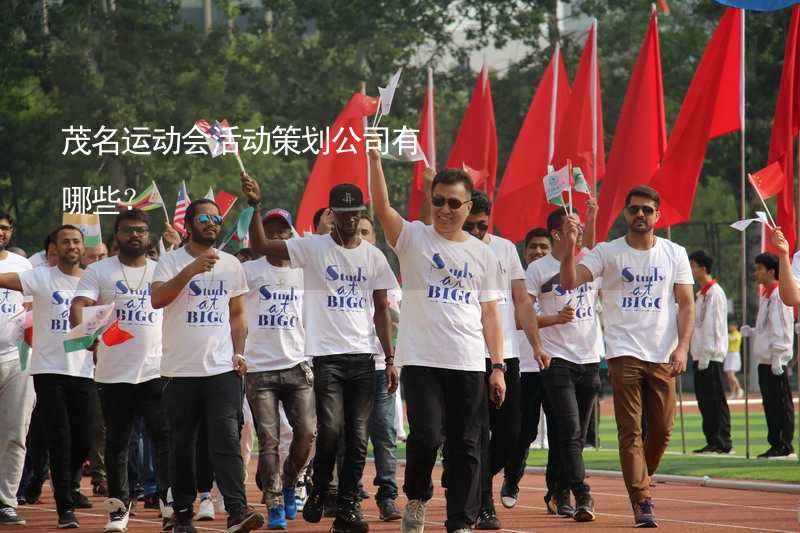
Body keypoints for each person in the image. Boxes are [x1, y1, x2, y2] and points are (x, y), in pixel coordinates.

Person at [242, 176, 396, 533]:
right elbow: (262, 244)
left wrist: (389, 359)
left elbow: (382, 308)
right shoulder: (311, 248)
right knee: (330, 430)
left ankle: (347, 509)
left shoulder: (374, 256)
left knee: (358, 437)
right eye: (340, 212)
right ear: (332, 213)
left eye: (353, 212)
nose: (347, 218)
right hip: (325, 358)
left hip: (363, 357)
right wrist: (255, 206)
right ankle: (319, 488)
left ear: (361, 212)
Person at [368, 149, 506, 533]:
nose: (445, 209)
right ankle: (416, 496)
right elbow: (382, 208)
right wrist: (375, 160)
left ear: (469, 205)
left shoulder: (482, 255)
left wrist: (497, 366)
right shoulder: (413, 237)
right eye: (438, 201)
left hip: (466, 360)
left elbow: (491, 314)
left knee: (466, 444)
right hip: (422, 359)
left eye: (454, 203)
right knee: (426, 436)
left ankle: (460, 520)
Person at [559, 185, 694, 528]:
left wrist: (682, 347)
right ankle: (642, 500)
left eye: (647, 210)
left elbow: (687, 304)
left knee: (662, 430)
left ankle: (641, 482)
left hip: (662, 353)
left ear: (657, 216)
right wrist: (570, 246)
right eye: (634, 209)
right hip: (623, 352)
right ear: (625, 213)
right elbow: (570, 280)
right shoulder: (608, 252)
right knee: (630, 430)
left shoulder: (674, 253)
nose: (640, 215)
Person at [151, 199, 264, 533]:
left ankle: (237, 510)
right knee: (182, 443)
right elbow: (157, 299)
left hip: (222, 369)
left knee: (226, 439)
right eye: (204, 217)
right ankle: (182, 513)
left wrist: (239, 351)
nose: (212, 222)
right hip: (179, 370)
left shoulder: (231, 264)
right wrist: (192, 269)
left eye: (216, 218)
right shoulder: (170, 262)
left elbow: (238, 313)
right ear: (190, 223)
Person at [69, 209, 171, 532]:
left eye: (141, 230)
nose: (135, 236)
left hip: (157, 370)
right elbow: (78, 306)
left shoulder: (161, 270)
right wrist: (87, 335)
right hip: (114, 373)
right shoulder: (99, 271)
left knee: (163, 439)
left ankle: (170, 504)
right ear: (117, 235)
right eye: (128, 230)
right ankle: (118, 508)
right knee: (118, 443)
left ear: (149, 235)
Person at [459, 192, 548, 530]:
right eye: (472, 226)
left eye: (483, 226)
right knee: (478, 433)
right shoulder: (449, 247)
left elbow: (522, 300)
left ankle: (468, 474)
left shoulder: (505, 249)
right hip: (466, 354)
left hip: (505, 355)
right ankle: (484, 504)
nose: (477, 231)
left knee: (512, 434)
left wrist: (536, 343)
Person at [0, 225, 97, 529]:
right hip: (48, 368)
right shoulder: (39, 277)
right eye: (65, 241)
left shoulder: (94, 280)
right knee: (60, 436)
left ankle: (66, 485)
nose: (72, 246)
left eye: (76, 241)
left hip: (83, 369)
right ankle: (64, 508)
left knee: (85, 437)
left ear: (82, 247)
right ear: (54, 248)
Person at [526, 208, 603, 523]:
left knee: (571, 434)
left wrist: (592, 215)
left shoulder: (590, 263)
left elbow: (596, 246)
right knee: (569, 430)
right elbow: (525, 315)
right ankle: (581, 492)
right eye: (571, 228)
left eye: (580, 228)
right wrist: (539, 342)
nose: (578, 232)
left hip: (590, 358)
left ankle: (557, 491)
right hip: (557, 358)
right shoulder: (537, 269)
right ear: (557, 233)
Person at [241, 208, 315, 529]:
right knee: (268, 440)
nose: (277, 236)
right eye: (269, 231)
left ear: (291, 235)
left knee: (307, 434)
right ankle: (273, 501)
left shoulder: (303, 272)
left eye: (283, 231)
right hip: (260, 368)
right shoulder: (249, 272)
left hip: (298, 364)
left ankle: (288, 481)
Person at [502, 227, 553, 511]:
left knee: (562, 433)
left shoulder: (561, 279)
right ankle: (512, 477)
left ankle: (557, 491)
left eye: (544, 247)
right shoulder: (517, 283)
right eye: (533, 247)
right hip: (525, 366)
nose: (538, 252)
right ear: (525, 251)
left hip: (557, 363)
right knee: (525, 431)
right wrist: (554, 319)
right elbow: (520, 319)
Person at [356, 213, 403, 521]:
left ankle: (387, 496)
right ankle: (350, 492)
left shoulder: (386, 277)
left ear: (374, 238)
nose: (361, 236)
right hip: (351, 365)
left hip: (379, 366)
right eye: (357, 230)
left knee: (384, 434)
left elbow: (396, 320)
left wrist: (391, 360)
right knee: (352, 435)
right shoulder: (336, 275)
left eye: (367, 232)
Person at [0, 212, 35, 526]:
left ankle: (6, 500)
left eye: (4, 228)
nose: (0, 233)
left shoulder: (23, 267)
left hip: (16, 359)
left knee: (14, 433)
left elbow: (34, 309)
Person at [688, 250, 732, 455]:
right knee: (705, 399)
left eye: (693, 265)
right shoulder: (701, 294)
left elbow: (713, 327)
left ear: (702, 268)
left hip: (710, 355)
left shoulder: (715, 293)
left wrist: (707, 352)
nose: (690, 270)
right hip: (700, 354)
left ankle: (722, 440)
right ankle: (712, 438)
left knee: (715, 398)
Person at [751, 251, 795, 458]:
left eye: (760, 269)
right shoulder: (766, 295)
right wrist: (753, 332)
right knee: (770, 403)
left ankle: (785, 444)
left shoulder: (778, 294)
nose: (756, 273)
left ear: (770, 271)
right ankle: (775, 442)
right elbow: (766, 327)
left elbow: (782, 326)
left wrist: (779, 354)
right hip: (764, 358)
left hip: (775, 358)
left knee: (781, 402)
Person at [725, 321, 744, 399]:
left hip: (734, 355)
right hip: (728, 355)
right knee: (728, 376)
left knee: (731, 375)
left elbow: (732, 339)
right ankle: (733, 392)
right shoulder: (730, 334)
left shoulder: (738, 334)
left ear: (735, 326)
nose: (730, 327)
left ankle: (739, 389)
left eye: (731, 326)